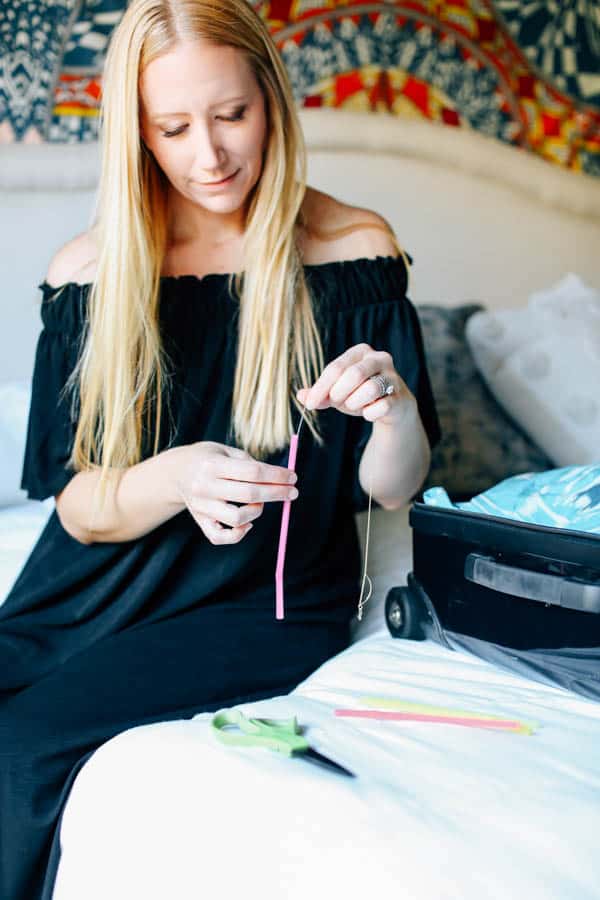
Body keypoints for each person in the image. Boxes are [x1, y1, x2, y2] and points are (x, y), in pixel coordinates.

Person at [0, 0, 440, 897]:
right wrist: (173, 477)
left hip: (257, 605)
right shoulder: (90, 271)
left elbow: (393, 493)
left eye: (232, 114)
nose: (210, 156)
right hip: (83, 590)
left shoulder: (351, 251)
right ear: (139, 133)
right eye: (174, 127)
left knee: (23, 747)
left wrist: (393, 415)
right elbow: (78, 508)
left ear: (272, 100)